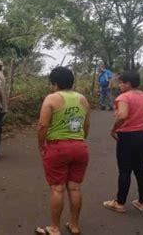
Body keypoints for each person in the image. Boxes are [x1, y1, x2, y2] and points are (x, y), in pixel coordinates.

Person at [36, 67, 91, 235]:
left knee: (58, 188)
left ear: (55, 83)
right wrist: (79, 140)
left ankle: (54, 228)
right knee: (75, 188)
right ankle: (74, 226)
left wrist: (41, 146)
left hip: (58, 148)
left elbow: (42, 126)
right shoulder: (83, 99)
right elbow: (86, 125)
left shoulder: (52, 99)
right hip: (79, 147)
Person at [103, 71, 143, 213]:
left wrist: (113, 129)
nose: (119, 85)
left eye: (121, 82)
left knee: (125, 170)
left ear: (128, 83)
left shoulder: (124, 97)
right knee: (141, 170)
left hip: (128, 137)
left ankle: (119, 203)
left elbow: (123, 116)